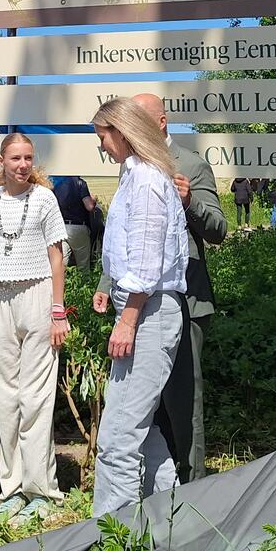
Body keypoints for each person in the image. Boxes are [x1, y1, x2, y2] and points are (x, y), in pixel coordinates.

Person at [98, 92, 228, 482]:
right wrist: (107, 282)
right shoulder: (132, 165)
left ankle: (191, 488)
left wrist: (189, 203)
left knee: (183, 401)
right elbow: (132, 235)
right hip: (141, 298)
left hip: (184, 299)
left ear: (161, 122)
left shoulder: (191, 163)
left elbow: (219, 231)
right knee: (144, 405)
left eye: (138, 117)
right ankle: (154, 488)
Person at [88, 97, 188, 516]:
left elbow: (146, 262)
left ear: (123, 132)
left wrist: (127, 320)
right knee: (141, 432)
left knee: (118, 436)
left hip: (147, 311)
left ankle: (113, 542)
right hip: (142, 310)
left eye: (103, 138)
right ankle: (173, 524)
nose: (103, 147)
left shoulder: (146, 179)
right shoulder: (135, 176)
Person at [0, 133, 69, 524]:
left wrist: (57, 311)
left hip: (37, 296)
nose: (22, 164)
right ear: (2, 160)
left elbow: (57, 257)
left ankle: (42, 490)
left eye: (28, 158)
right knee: (6, 396)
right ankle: (11, 488)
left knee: (36, 396)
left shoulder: (45, 199)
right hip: (0, 299)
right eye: (15, 158)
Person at [52, 174, 98, 271]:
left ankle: (61, 284)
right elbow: (89, 206)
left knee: (61, 263)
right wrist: (94, 201)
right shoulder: (80, 183)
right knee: (83, 264)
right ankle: (84, 284)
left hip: (60, 226)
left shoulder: (55, 183)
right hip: (78, 227)